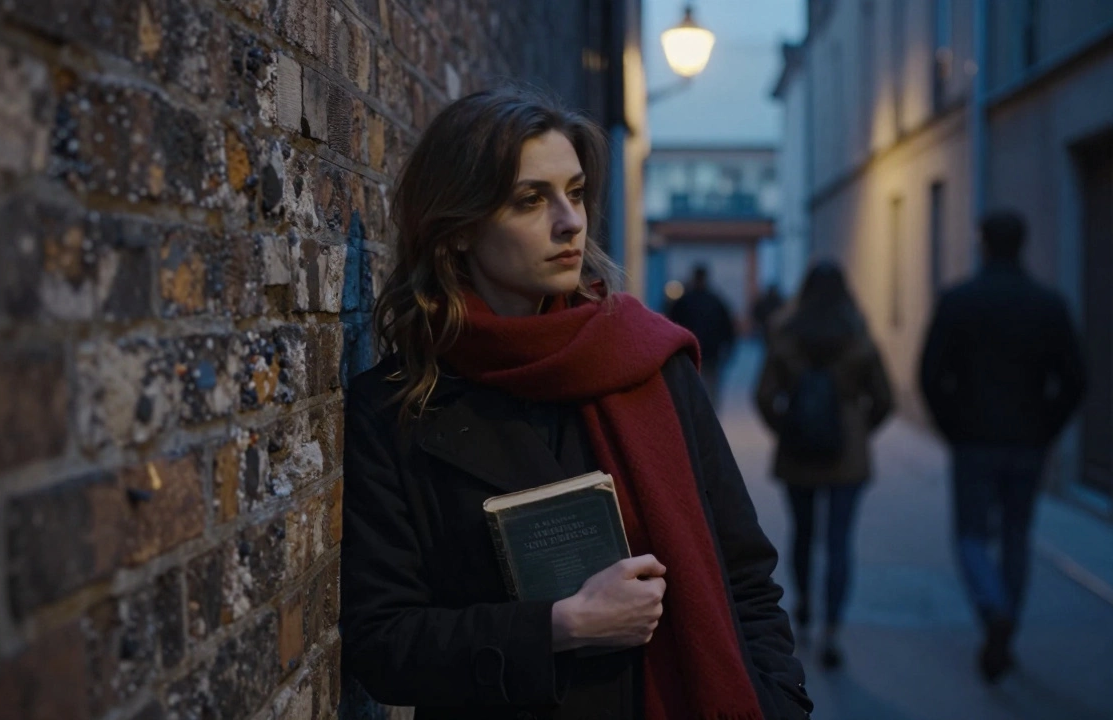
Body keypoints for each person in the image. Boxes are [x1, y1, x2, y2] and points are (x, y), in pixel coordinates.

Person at [340, 87, 812, 720]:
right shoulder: (396, 406)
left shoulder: (647, 361)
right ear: (456, 233)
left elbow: (745, 574)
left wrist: (781, 702)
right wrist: (561, 627)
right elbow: (383, 643)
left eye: (576, 191)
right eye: (530, 200)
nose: (570, 222)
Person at [919, 210, 1085, 684]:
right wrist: (1046, 429)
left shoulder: (960, 301)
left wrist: (953, 427)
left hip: (974, 441)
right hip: (1026, 442)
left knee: (971, 535)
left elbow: (930, 376)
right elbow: (1075, 379)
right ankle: (1005, 622)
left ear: (983, 244)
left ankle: (994, 611)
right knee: (1016, 534)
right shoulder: (1047, 304)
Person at [755, 261, 893, 670]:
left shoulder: (786, 334)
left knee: (802, 533)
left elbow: (763, 396)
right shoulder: (859, 336)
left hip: (798, 454)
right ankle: (832, 630)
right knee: (838, 543)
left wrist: (786, 428)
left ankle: (805, 607)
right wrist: (859, 429)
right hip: (847, 457)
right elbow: (884, 399)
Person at [667, 265, 736, 401]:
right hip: (710, 354)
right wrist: (728, 350)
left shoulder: (684, 302)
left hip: (687, 355)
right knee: (711, 391)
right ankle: (709, 419)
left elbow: (671, 325)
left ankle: (693, 419)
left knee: (689, 391)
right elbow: (728, 328)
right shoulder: (715, 301)